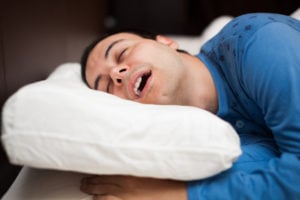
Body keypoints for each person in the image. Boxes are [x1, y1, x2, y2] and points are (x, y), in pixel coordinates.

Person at [79, 13, 300, 200]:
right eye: (107, 87)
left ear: (166, 42)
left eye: (121, 53)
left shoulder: (261, 43)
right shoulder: (205, 144)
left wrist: (173, 194)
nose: (116, 73)